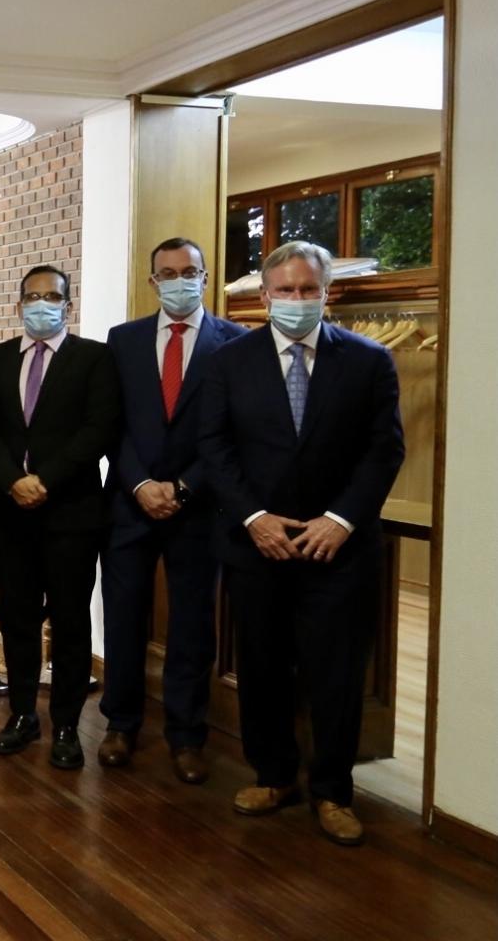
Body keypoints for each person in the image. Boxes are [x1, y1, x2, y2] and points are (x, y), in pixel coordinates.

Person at [200, 240, 403, 846]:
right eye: (285, 290)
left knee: (336, 674)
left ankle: (334, 791)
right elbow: (215, 448)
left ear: (327, 292)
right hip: (257, 546)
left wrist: (340, 519)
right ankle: (273, 776)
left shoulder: (369, 360)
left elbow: (384, 450)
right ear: (264, 296)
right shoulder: (229, 361)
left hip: (338, 550)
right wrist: (253, 517)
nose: (297, 299)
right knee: (262, 665)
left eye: (308, 289)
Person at [97, 237, 246, 783]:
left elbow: (233, 431)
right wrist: (139, 483)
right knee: (123, 618)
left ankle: (187, 736)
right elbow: (111, 423)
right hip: (130, 504)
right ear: (152, 280)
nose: (179, 280)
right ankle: (120, 725)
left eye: (189, 271)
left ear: (205, 277)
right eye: (168, 272)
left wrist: (183, 487)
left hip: (199, 508)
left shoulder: (236, 342)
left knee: (192, 625)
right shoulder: (124, 340)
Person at [0, 264, 119, 769]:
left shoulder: (94, 358)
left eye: (52, 297)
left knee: (71, 621)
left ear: (67, 305)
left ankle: (66, 726)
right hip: (11, 510)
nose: (42, 305)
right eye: (32, 297)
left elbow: (98, 429)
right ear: (19, 305)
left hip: (71, 512)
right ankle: (21, 715)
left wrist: (45, 480)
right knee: (16, 618)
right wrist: (13, 478)